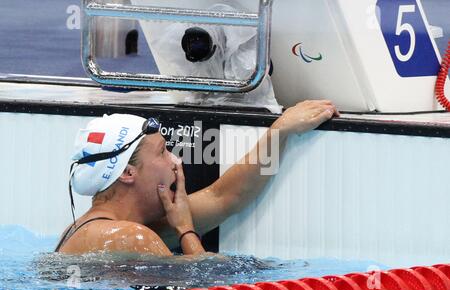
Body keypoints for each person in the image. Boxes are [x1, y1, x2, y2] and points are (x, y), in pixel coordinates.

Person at [56, 100, 339, 255]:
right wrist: (186, 231)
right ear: (128, 173)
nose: (176, 161)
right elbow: (203, 289)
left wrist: (279, 132)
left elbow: (226, 197)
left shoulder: (102, 229)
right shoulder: (129, 237)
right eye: (163, 152)